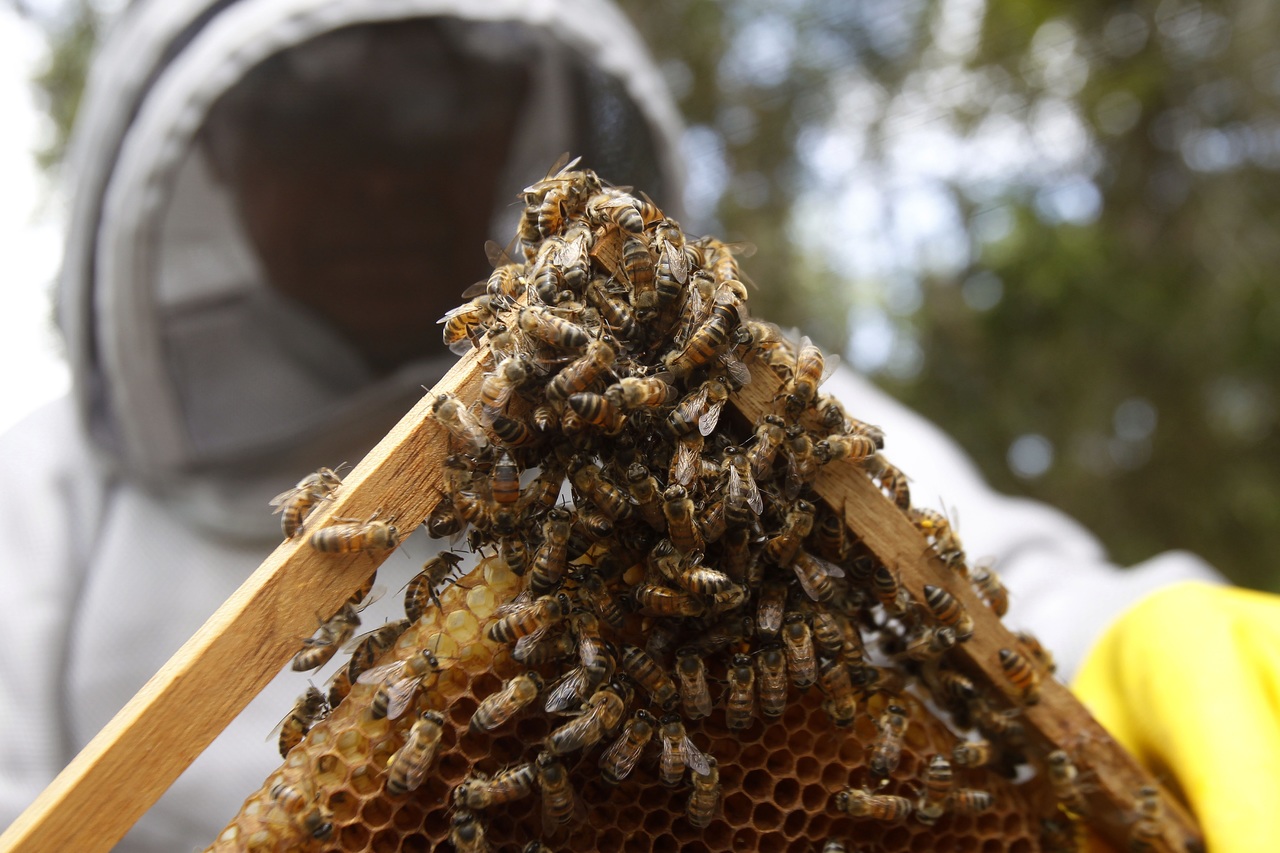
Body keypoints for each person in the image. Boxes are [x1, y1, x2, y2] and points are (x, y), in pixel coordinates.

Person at [0, 1, 1268, 851]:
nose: (377, 178)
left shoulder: (712, 391)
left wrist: (1127, 634)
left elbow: (962, 579)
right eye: (310, 128)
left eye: (434, 116)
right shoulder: (35, 503)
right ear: (216, 158)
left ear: (515, 122)